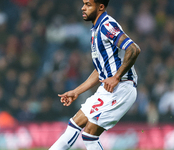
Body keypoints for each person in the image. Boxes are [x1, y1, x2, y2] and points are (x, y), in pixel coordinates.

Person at [49, 0, 141, 149]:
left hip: (121, 87)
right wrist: (76, 91)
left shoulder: (106, 25)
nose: (82, 8)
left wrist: (116, 77)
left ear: (101, 7)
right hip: (108, 89)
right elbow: (100, 70)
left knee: (90, 135)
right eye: (83, 3)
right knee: (74, 123)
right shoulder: (96, 29)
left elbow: (134, 49)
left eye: (88, 4)